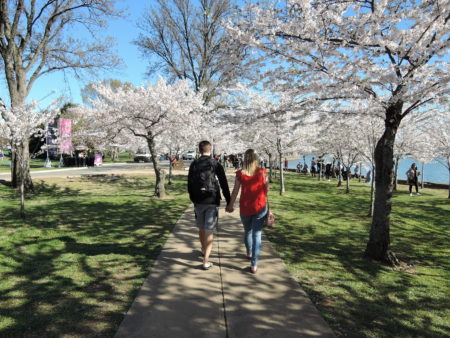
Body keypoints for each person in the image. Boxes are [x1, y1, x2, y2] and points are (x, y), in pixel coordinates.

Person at [188, 140, 231, 270]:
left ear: (199, 150)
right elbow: (223, 183)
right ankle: (206, 260)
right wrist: (229, 201)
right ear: (210, 149)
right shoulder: (215, 164)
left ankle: (203, 248)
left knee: (201, 228)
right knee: (209, 230)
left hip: (198, 201)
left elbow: (189, 183)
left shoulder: (194, 164)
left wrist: (193, 199)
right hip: (212, 200)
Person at [226, 149, 269, 274]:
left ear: (245, 159)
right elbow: (267, 190)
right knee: (257, 235)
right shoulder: (262, 172)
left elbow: (235, 191)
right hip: (260, 206)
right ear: (256, 159)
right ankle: (254, 264)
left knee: (248, 231)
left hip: (245, 207)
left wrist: (230, 205)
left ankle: (249, 252)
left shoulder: (240, 174)